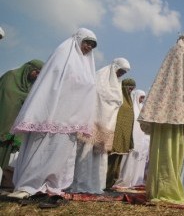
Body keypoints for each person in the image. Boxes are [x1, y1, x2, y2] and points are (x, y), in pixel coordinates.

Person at [8, 28, 97, 202]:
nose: (88, 47)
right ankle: (28, 186)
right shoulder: (63, 55)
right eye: (87, 42)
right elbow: (50, 85)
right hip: (53, 114)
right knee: (41, 149)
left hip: (71, 118)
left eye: (92, 45)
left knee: (61, 154)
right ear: (78, 39)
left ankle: (53, 186)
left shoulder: (87, 67)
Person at [138, 30, 184, 205]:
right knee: (167, 149)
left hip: (176, 111)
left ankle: (165, 187)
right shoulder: (179, 51)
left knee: (175, 150)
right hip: (171, 111)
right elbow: (179, 81)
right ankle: (164, 189)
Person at [70, 58, 130, 194]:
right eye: (120, 71)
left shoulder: (116, 85)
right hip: (92, 120)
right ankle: (80, 183)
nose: (121, 74)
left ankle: (96, 185)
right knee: (85, 153)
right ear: (114, 67)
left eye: (124, 73)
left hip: (107, 124)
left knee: (99, 156)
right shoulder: (99, 78)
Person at [0, 59, 44, 169]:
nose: (37, 76)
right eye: (36, 72)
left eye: (40, 74)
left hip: (11, 131)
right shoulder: (10, 77)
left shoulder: (31, 86)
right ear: (28, 68)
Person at [114, 89, 150, 188]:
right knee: (128, 161)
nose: (142, 100)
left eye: (143, 98)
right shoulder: (131, 109)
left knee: (140, 161)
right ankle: (125, 181)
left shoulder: (142, 109)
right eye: (141, 97)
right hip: (132, 140)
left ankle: (136, 182)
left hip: (142, 141)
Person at [106, 78, 136, 189]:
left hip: (124, 138)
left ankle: (110, 183)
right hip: (114, 136)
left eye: (133, 88)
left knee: (117, 162)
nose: (131, 90)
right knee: (109, 160)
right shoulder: (118, 99)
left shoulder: (130, 102)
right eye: (129, 87)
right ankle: (103, 183)